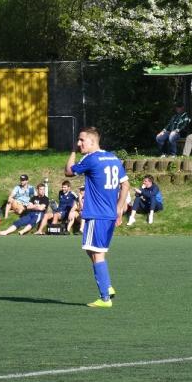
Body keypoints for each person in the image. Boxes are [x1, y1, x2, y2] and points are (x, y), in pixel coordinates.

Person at [65, 126, 130, 308]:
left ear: (92, 141)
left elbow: (68, 171)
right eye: (77, 141)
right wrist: (118, 208)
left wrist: (71, 151)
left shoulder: (91, 159)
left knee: (97, 254)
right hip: (108, 215)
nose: (79, 143)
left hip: (97, 214)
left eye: (81, 140)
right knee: (91, 249)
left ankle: (104, 298)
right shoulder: (113, 157)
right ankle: (107, 286)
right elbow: (126, 185)